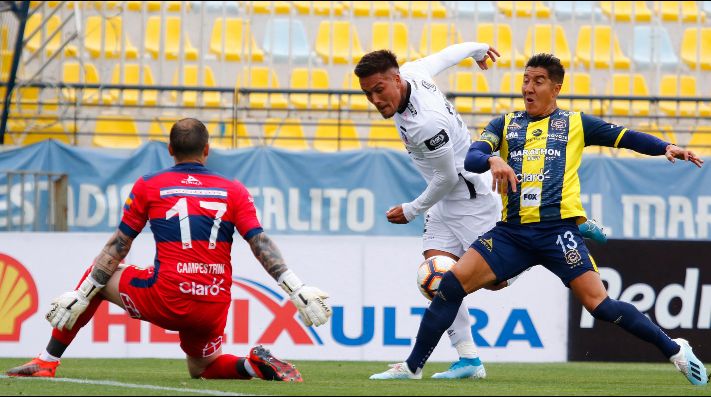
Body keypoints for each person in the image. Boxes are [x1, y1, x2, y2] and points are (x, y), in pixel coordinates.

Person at [369, 53, 708, 386]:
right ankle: (413, 366)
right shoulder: (505, 124)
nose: (528, 88)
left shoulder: (575, 124)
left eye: (538, 81)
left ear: (556, 88)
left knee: (600, 306)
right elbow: (472, 157)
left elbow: (626, 137)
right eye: (525, 80)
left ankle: (676, 349)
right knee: (450, 287)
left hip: (556, 235)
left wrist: (666, 146)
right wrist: (492, 161)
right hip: (512, 234)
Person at [6, 118, 333, 381]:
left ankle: (47, 360)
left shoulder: (150, 185)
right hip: (213, 303)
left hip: (168, 297)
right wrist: (296, 288)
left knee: (100, 279)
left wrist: (82, 293)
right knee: (203, 368)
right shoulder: (233, 190)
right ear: (207, 150)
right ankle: (253, 366)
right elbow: (260, 244)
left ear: (169, 150)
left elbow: (118, 246)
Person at [356, 46, 607, 380]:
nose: (375, 99)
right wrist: (475, 49)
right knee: (440, 280)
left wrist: (412, 209)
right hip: (445, 201)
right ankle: (468, 360)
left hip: (470, 199)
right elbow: (444, 56)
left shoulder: (426, 123)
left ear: (396, 79)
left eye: (379, 89)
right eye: (368, 93)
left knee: (497, 282)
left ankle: (567, 221)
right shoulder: (414, 72)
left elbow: (446, 177)